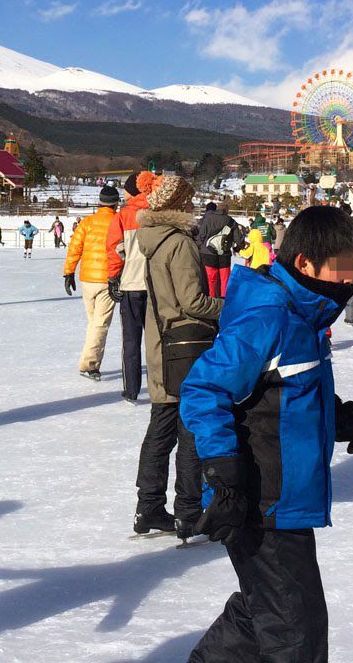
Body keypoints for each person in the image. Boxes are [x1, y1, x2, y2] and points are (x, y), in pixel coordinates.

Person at [180, 205, 353, 662]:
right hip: (261, 502)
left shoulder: (303, 317)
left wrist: (334, 416)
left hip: (282, 501)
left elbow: (277, 393)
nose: (350, 281)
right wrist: (223, 470)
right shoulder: (270, 317)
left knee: (259, 613)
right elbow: (203, 388)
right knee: (294, 632)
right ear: (304, 263)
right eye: (343, 268)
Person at [134, 175, 221, 539]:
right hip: (185, 345)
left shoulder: (152, 240)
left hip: (159, 343)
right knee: (189, 429)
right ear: (181, 204)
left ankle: (149, 507)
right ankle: (188, 510)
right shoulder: (180, 244)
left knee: (161, 427)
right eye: (189, 199)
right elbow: (192, 302)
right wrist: (231, 308)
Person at [106, 170, 159, 403]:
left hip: (131, 284)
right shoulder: (159, 212)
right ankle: (160, 386)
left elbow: (114, 249)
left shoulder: (124, 215)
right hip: (158, 287)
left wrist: (113, 277)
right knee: (157, 340)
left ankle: (131, 389)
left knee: (131, 340)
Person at [63, 185, 120, 380]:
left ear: (99, 202)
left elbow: (74, 248)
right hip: (108, 279)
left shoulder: (87, 222)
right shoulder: (117, 222)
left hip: (87, 279)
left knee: (94, 322)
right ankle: (90, 365)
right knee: (100, 324)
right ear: (116, 203)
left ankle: (90, 360)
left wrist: (69, 272)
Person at [195, 201, 236, 298]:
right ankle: (224, 300)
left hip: (208, 253)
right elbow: (238, 238)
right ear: (227, 210)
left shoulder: (208, 219)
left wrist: (203, 247)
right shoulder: (231, 221)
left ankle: (212, 299)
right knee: (224, 278)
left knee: (211, 279)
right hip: (224, 253)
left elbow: (201, 236)